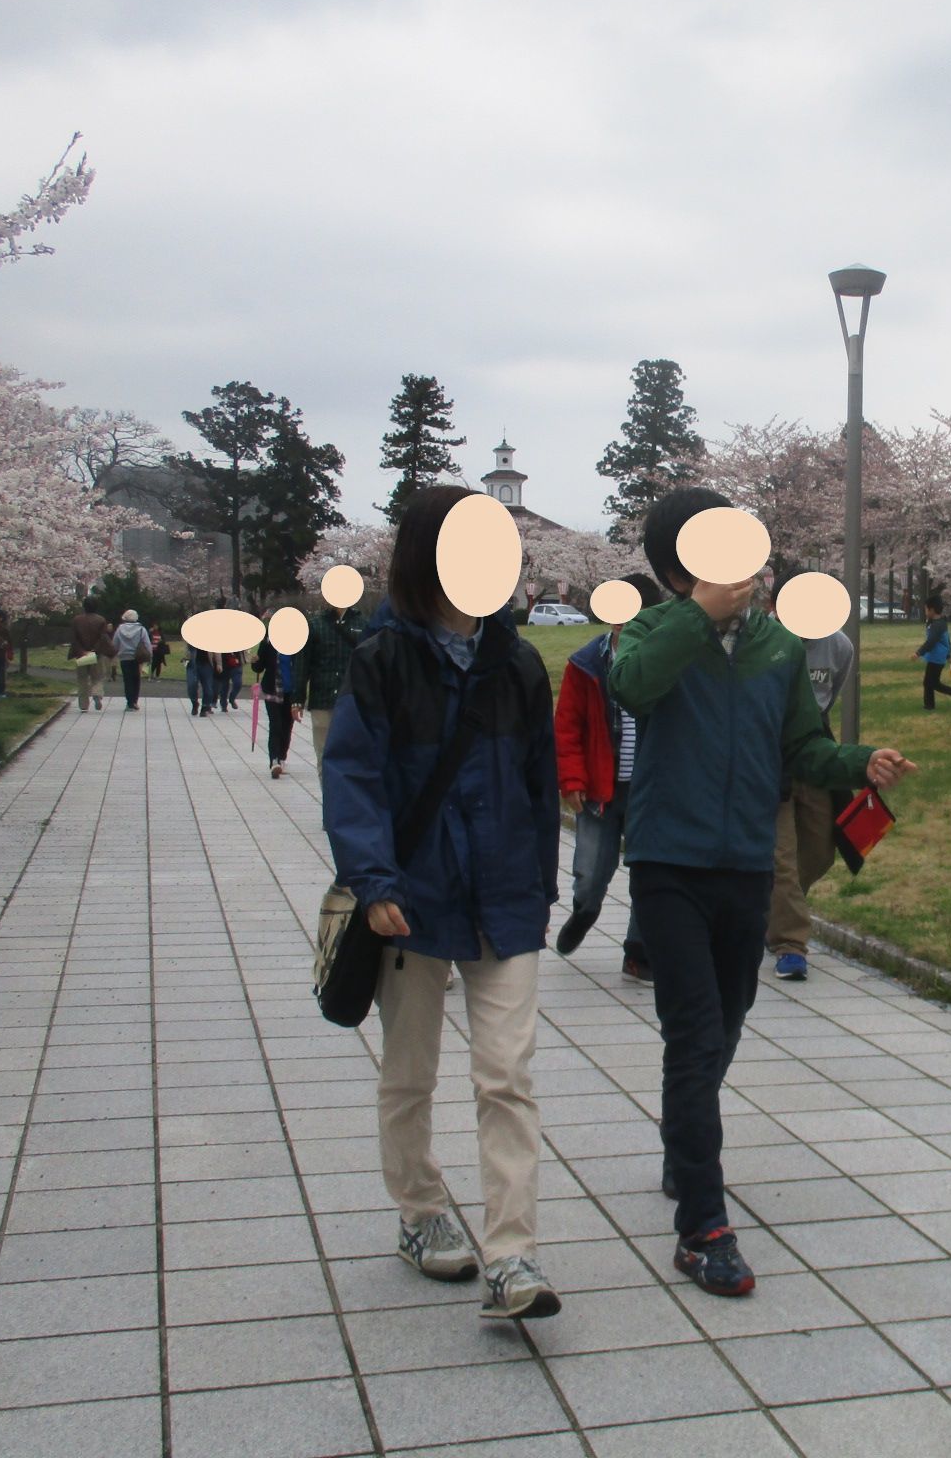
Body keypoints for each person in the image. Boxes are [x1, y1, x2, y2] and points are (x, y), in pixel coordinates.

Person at [610, 487, 916, 1297]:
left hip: (748, 859)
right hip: (669, 861)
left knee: (730, 1019)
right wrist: (694, 614)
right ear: (683, 563)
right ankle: (703, 1225)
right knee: (695, 1033)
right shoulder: (650, 630)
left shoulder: (779, 647)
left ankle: (687, 1147)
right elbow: (632, 687)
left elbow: (804, 748)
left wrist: (861, 763)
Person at [322, 485, 563, 1321]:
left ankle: (511, 1255)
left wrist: (541, 883)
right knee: (411, 1071)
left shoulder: (520, 664)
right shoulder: (381, 660)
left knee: (507, 1075)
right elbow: (352, 778)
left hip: (504, 897)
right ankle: (421, 1213)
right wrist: (377, 882)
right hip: (411, 903)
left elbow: (541, 786)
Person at [553, 574, 664, 982]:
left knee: (648, 876)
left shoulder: (665, 661)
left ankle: (638, 951)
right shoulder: (586, 664)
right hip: (601, 787)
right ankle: (585, 910)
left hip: (650, 790)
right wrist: (571, 779)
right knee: (590, 871)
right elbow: (567, 726)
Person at [769, 615, 856, 982]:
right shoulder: (763, 640)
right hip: (771, 753)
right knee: (782, 857)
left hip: (815, 749)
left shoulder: (839, 645)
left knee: (821, 850)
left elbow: (831, 695)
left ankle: (775, 908)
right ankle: (790, 945)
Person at [290, 599, 365, 775]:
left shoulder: (363, 625)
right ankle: (329, 797)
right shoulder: (315, 626)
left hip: (352, 699)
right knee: (324, 753)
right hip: (322, 697)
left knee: (350, 753)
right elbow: (302, 664)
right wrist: (297, 700)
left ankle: (344, 797)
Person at [912, 593, 951, 709]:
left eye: (926, 609)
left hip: (937, 658)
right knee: (931, 683)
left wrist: (918, 653)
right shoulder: (937, 623)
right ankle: (930, 705)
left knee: (931, 683)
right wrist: (949, 655)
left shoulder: (938, 625)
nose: (925, 612)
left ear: (932, 610)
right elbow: (947, 640)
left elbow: (931, 642)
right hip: (936, 657)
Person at [254, 639, 295, 778]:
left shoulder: (297, 643)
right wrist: (255, 661)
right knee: (275, 724)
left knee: (287, 725)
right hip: (272, 690)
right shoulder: (268, 643)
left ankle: (282, 757)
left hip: (290, 692)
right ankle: (274, 760)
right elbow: (259, 667)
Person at [68, 598, 111, 712]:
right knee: (97, 677)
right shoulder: (101, 620)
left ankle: (83, 705)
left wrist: (81, 650)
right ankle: (96, 694)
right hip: (96, 654)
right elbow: (103, 638)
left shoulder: (77, 620)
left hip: (81, 653)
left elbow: (74, 638)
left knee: (82, 679)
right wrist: (95, 650)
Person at [111, 609, 152, 710]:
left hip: (124, 657)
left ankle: (129, 702)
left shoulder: (120, 629)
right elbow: (147, 644)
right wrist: (149, 655)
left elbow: (115, 643)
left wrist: (114, 653)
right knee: (136, 679)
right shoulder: (141, 629)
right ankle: (134, 701)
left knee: (127, 680)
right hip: (137, 657)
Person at [186, 639, 218, 717]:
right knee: (191, 685)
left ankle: (204, 707)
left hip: (207, 664)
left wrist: (219, 664)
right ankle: (194, 703)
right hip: (193, 665)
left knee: (208, 688)